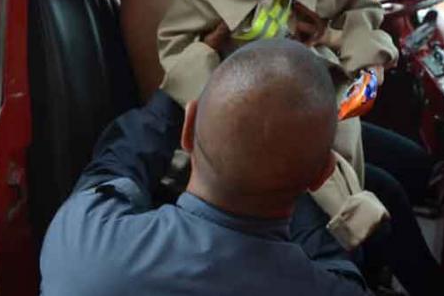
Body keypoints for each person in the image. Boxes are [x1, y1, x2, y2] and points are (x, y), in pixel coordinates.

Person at [158, 0, 396, 250]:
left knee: (346, 162)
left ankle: (354, 226)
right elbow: (174, 49)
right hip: (240, 126)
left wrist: (366, 61)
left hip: (317, 107)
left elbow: (361, 19)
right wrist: (210, 77)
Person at [40, 40, 371, 296]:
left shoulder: (84, 240)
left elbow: (114, 165)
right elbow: (340, 268)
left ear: (189, 128)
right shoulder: (328, 288)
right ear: (322, 174)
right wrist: (288, 168)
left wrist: (176, 90)